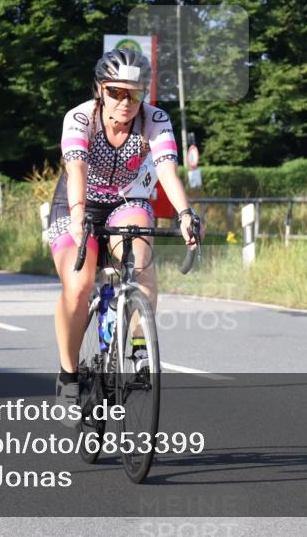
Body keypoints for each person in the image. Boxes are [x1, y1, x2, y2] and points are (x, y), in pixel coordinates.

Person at [48, 48, 201, 419]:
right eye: (117, 92)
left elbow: (166, 171)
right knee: (79, 283)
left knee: (141, 262)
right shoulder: (80, 118)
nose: (126, 102)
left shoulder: (155, 119)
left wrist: (184, 213)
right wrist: (80, 215)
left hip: (126, 202)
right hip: (77, 203)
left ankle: (135, 346)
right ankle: (68, 376)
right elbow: (77, 169)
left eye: (135, 93)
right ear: (101, 89)